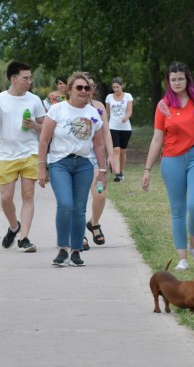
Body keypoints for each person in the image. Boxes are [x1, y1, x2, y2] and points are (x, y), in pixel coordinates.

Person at [140, 61, 194, 271]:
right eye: (173, 79)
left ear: (187, 79)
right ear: (168, 81)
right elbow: (157, 139)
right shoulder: (163, 106)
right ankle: (182, 258)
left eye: (180, 78)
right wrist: (147, 169)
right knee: (177, 210)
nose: (177, 82)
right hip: (171, 160)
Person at [37, 72, 107, 267]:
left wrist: (102, 171)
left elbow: (99, 145)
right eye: (79, 88)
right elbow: (44, 140)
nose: (84, 91)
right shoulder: (57, 110)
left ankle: (76, 251)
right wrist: (42, 167)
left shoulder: (93, 113)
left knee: (79, 209)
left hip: (84, 164)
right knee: (65, 205)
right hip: (60, 163)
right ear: (69, 90)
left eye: (87, 88)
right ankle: (62, 249)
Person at [0, 61, 46, 253]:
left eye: (30, 77)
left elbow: (45, 128)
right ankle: (14, 226)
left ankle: (24, 238)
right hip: (7, 155)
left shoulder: (34, 100)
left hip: (30, 153)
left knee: (28, 195)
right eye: (25, 78)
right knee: (5, 198)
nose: (29, 81)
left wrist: (34, 126)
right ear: (13, 79)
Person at [84, 73, 115, 247]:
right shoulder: (68, 107)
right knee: (78, 199)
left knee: (100, 194)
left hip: (97, 158)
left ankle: (94, 223)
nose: (87, 90)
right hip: (77, 157)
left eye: (91, 86)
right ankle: (79, 234)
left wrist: (111, 155)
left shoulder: (99, 107)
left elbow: (106, 133)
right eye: (83, 86)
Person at [105, 77, 133, 182]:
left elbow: (130, 111)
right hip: (113, 127)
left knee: (123, 151)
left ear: (122, 86)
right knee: (116, 150)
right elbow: (107, 113)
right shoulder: (109, 97)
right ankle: (117, 174)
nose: (115, 89)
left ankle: (121, 171)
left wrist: (126, 117)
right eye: (114, 87)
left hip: (126, 128)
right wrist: (105, 124)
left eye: (117, 87)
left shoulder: (128, 96)